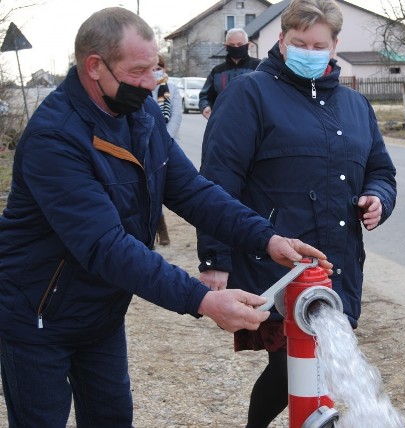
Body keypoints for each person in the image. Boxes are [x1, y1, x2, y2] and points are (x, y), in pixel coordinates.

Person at [0, 7, 332, 427]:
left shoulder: (139, 115)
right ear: (94, 66)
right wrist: (202, 300)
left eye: (154, 69)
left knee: (112, 417)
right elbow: (105, 245)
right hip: (38, 313)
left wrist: (267, 238)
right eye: (138, 71)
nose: (150, 82)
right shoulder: (56, 137)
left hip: (100, 309)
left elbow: (191, 191)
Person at [197, 0, 397, 426]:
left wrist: (379, 197)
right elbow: (217, 179)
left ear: (334, 46)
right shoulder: (249, 94)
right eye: (299, 42)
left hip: (335, 262)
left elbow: (381, 170)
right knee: (292, 362)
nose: (309, 49)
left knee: (311, 362)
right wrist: (214, 257)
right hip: (272, 259)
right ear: (281, 41)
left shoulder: (355, 105)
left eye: (318, 43)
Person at [198, 28, 261, 120]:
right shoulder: (217, 71)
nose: (236, 47)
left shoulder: (259, 68)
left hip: (254, 123)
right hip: (223, 123)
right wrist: (205, 107)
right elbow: (205, 96)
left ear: (248, 45)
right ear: (226, 46)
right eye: (232, 45)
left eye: (239, 44)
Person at [152, 54, 182, 246]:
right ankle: (155, 226)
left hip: (167, 144)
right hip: (145, 145)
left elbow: (176, 116)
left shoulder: (171, 89)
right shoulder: (143, 89)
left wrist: (163, 140)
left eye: (158, 68)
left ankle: (161, 229)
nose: (155, 72)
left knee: (163, 186)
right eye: (151, 68)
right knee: (150, 188)